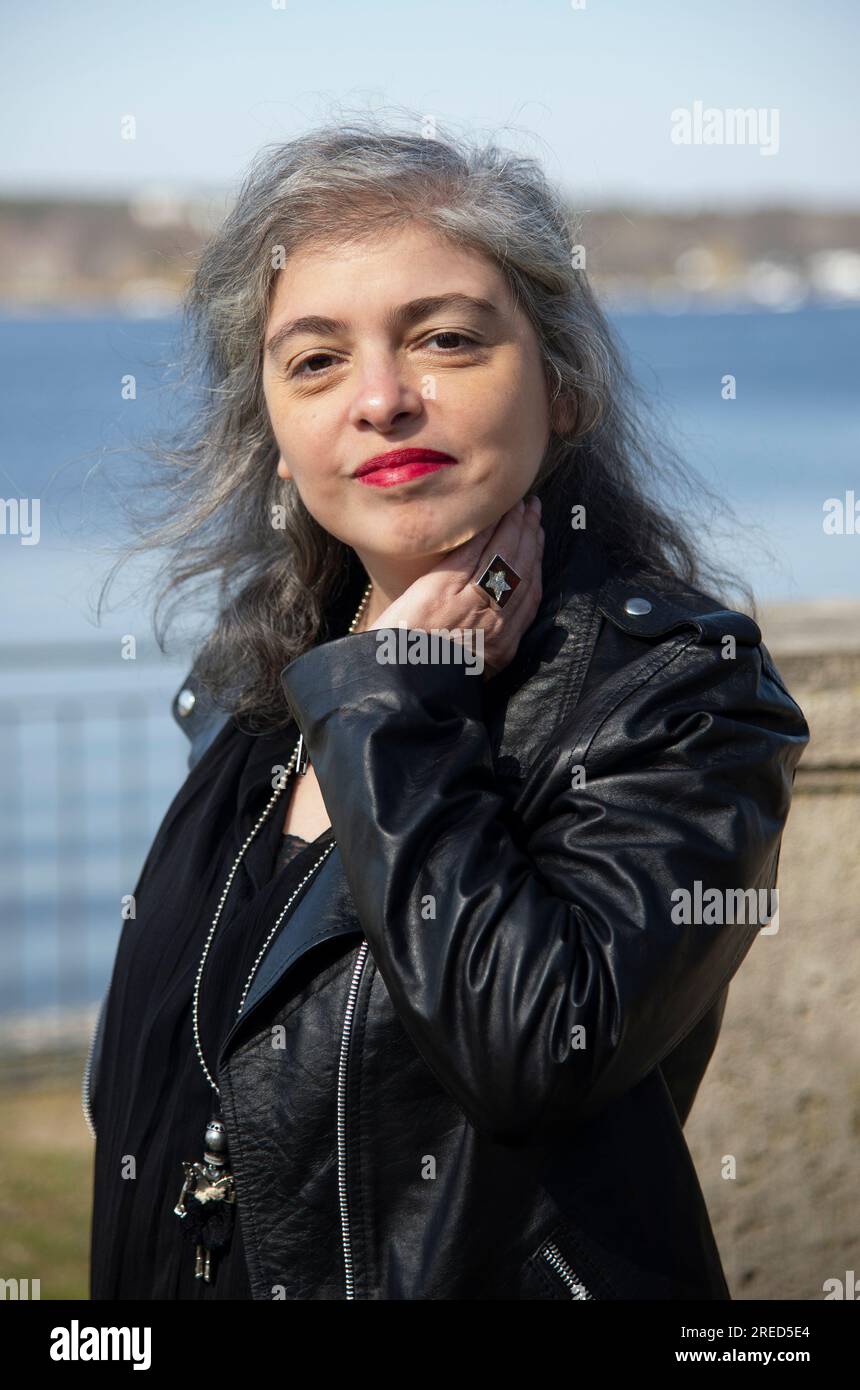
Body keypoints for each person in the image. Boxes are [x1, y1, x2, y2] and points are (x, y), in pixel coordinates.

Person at [85, 118, 809, 1300]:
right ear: (272, 433)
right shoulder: (253, 685)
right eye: (314, 361)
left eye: (446, 340)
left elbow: (533, 1048)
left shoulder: (678, 696)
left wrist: (400, 704)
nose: (379, 398)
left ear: (561, 386)